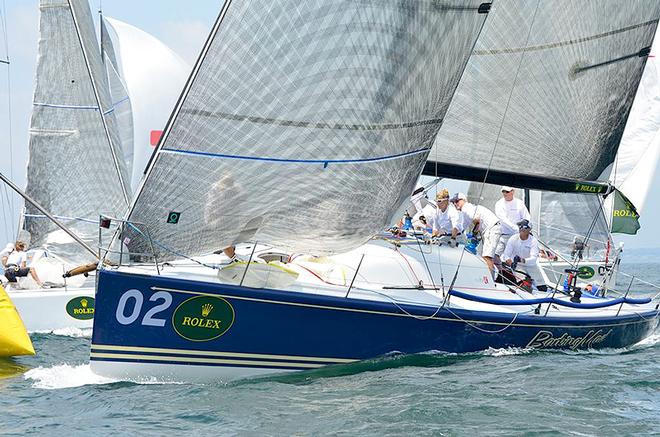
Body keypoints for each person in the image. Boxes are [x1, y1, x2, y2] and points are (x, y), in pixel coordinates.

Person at [451, 192, 501, 275]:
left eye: (457, 201)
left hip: (491, 229)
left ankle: (490, 283)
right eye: (453, 202)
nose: (455, 204)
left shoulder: (466, 208)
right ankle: (497, 278)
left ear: (463, 200)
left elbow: (477, 220)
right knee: (487, 256)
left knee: (487, 257)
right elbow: (461, 228)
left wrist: (474, 234)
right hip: (492, 229)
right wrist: (452, 236)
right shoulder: (465, 212)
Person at [501, 220, 547, 291]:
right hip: (518, 266)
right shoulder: (513, 239)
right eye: (520, 227)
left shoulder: (533, 241)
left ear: (529, 229)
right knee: (525, 286)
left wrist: (522, 260)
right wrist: (511, 263)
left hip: (531, 266)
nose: (521, 228)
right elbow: (506, 255)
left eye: (524, 227)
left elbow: (534, 259)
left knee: (543, 288)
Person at [494, 186, 530, 256]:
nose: (505, 193)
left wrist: (525, 227)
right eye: (503, 191)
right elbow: (503, 219)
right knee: (497, 255)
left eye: (507, 191)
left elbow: (526, 217)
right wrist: (515, 228)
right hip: (503, 236)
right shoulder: (499, 204)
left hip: (517, 236)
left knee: (517, 257)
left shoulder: (520, 203)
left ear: (513, 191)